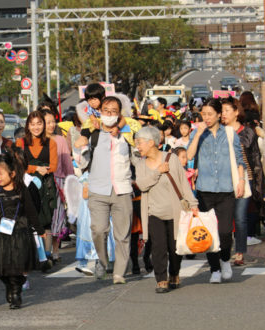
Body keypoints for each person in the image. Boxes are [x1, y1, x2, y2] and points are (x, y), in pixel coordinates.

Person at [186, 98, 246, 283]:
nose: (206, 117)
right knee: (209, 232)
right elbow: (188, 155)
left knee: (226, 231)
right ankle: (215, 270)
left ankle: (225, 259)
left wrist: (241, 180)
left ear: (219, 114)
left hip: (226, 189)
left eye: (210, 114)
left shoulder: (229, 133)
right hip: (205, 190)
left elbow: (239, 159)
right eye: (203, 114)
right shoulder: (197, 133)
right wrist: (197, 134)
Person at [135, 126, 198, 293]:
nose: (137, 146)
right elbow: (141, 185)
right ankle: (161, 279)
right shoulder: (140, 164)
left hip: (175, 211)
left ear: (151, 142)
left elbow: (183, 184)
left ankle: (174, 274)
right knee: (159, 247)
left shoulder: (171, 159)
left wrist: (193, 204)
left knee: (175, 247)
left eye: (139, 142)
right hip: (153, 212)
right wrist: (157, 172)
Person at [79, 96, 133, 284]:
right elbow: (83, 157)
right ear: (100, 111)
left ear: (119, 113)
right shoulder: (92, 131)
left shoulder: (128, 132)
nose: (109, 115)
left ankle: (119, 272)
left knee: (122, 234)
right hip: (98, 188)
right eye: (106, 110)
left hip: (122, 188)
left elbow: (139, 152)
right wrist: (80, 149)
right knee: (99, 229)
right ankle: (102, 261)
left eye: (114, 111)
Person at [0, 151, 44, 309]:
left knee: (17, 266)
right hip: (1, 235)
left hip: (20, 233)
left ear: (12, 174)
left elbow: (31, 211)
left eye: (1, 173)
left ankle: (16, 293)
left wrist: (40, 229)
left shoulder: (21, 190)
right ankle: (11, 285)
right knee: (2, 270)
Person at [221, 97, 263, 266]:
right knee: (224, 219)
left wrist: (258, 184)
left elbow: (255, 159)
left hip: (246, 178)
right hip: (224, 180)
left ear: (236, 112)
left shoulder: (247, 132)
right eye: (222, 111)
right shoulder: (219, 132)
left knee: (240, 218)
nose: (223, 114)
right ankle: (224, 251)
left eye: (226, 111)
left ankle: (239, 253)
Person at [16, 111, 58, 271]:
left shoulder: (51, 142)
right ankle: (30, 255)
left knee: (46, 218)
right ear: (27, 126)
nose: (36, 127)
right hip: (26, 183)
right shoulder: (20, 142)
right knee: (27, 219)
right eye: (32, 124)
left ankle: (46, 255)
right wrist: (35, 168)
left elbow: (53, 166)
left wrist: (44, 170)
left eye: (39, 123)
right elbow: (18, 164)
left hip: (46, 185)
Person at [43, 109, 72, 263]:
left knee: (57, 217)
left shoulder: (60, 140)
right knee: (44, 217)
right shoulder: (36, 141)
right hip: (41, 183)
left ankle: (55, 250)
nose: (51, 125)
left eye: (53, 121)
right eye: (48, 122)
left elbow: (67, 163)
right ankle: (44, 251)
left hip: (58, 181)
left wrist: (71, 183)